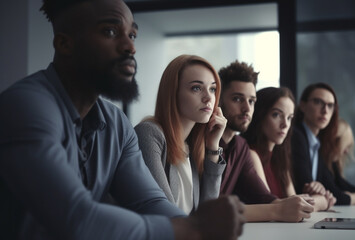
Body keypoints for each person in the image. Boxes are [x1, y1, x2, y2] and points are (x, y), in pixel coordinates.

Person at [0, 1, 245, 239]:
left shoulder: (116, 123)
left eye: (133, 35)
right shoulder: (26, 106)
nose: (130, 47)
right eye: (110, 31)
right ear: (65, 43)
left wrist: (193, 226)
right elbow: (74, 217)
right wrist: (193, 229)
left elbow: (149, 200)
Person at [218, 60, 314, 222]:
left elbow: (265, 197)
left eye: (251, 101)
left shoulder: (240, 146)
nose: (247, 109)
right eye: (237, 99)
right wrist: (279, 208)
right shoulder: (202, 143)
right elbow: (207, 209)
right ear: (219, 100)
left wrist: (301, 203)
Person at [135, 55, 227, 214]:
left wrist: (213, 146)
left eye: (212, 89)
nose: (208, 98)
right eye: (197, 88)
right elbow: (163, 212)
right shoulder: (149, 133)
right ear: (173, 93)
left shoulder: (191, 146)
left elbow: (208, 214)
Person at [243, 87, 335, 211]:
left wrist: (318, 194)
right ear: (260, 115)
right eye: (276, 115)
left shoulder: (280, 158)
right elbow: (279, 206)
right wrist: (321, 200)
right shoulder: (251, 154)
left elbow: (294, 201)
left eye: (289, 118)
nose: (285, 125)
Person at [291, 82, 355, 205]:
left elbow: (330, 190)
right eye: (318, 102)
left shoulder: (317, 143)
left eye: (330, 105)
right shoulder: (296, 136)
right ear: (302, 105)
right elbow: (307, 187)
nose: (325, 110)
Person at [327, 119, 355, 202]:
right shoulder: (323, 166)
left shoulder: (333, 165)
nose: (346, 151)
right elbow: (337, 197)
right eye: (345, 146)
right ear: (335, 141)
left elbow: (347, 187)